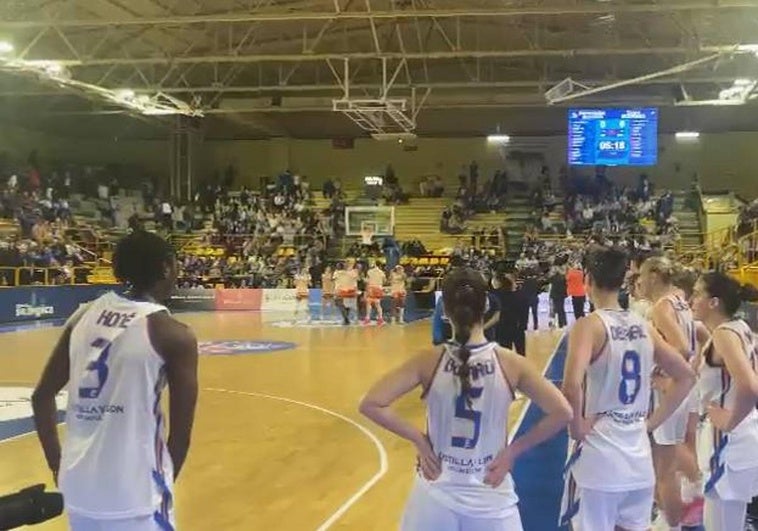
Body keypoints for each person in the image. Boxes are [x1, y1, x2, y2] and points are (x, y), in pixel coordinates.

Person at [360, 267, 573, 531]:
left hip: (435, 490)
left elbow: (371, 404)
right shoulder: (511, 363)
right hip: (490, 492)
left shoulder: (428, 361)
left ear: (445, 312)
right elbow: (563, 412)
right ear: (485, 307)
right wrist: (513, 452)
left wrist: (419, 440)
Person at [31, 230, 199, 531]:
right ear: (164, 267)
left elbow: (41, 397)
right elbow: (181, 437)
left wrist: (58, 466)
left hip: (79, 489)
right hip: (136, 499)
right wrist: (159, 488)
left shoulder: (83, 315)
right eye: (175, 264)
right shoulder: (173, 334)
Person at [559, 247, 695, 531]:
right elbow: (687, 377)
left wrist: (576, 428)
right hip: (638, 456)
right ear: (623, 282)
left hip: (600, 454)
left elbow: (571, 385)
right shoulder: (643, 326)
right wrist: (651, 422)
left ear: (587, 280)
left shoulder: (588, 326)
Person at [690, 271, 758, 531]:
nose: (691, 299)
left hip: (729, 442)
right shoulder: (740, 328)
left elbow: (750, 386)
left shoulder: (723, 335)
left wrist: (730, 420)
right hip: (743, 436)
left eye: (697, 293)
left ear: (714, 302)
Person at [638, 257, 703, 529]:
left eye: (641, 274)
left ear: (654, 275)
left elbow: (682, 347)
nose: (638, 281)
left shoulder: (661, 306)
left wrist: (661, 370)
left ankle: (672, 523)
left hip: (671, 391)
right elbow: (699, 339)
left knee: (664, 470)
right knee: (675, 454)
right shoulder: (679, 301)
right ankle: (691, 498)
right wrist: (692, 369)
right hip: (684, 388)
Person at [491, 273, 527, 355]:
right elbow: (524, 312)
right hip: (517, 327)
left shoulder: (495, 295)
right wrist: (523, 325)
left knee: (506, 353)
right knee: (521, 353)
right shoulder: (519, 294)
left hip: (502, 328)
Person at [334, 260, 359, 325]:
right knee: (347, 305)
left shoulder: (336, 273)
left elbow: (334, 281)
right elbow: (356, 278)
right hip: (350, 291)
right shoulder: (351, 273)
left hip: (340, 291)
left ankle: (346, 319)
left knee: (339, 303)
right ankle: (346, 318)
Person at [364, 262, 387, 326]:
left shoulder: (369, 271)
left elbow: (367, 281)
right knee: (378, 304)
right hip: (378, 288)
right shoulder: (382, 272)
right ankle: (380, 319)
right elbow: (385, 281)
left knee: (369, 304)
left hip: (371, 288)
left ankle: (367, 319)